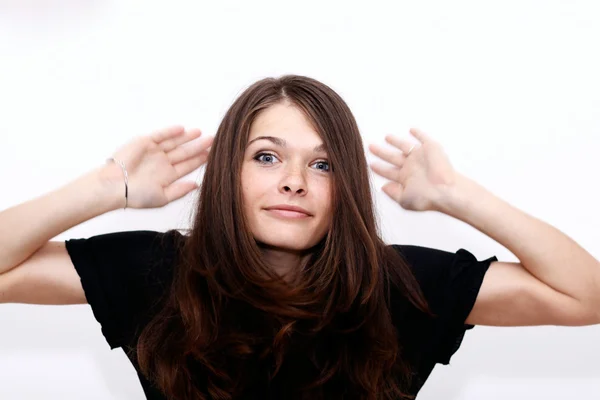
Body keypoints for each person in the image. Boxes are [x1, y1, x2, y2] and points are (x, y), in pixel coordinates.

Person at [0, 75, 598, 400]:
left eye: (322, 165)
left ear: (347, 188)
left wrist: (457, 195)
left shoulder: (407, 285)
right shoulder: (152, 270)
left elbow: (585, 296)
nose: (292, 182)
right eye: (266, 157)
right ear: (228, 171)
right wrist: (106, 188)